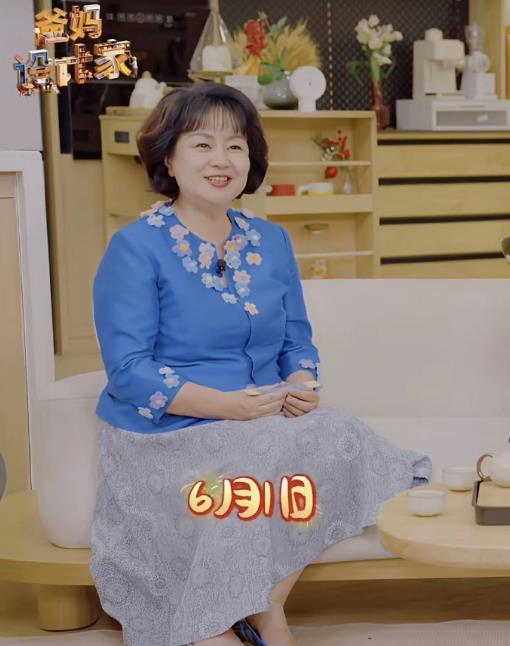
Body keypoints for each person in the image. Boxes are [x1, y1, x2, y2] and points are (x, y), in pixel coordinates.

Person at [90, 83, 431, 646]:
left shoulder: (271, 241)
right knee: (265, 454)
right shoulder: (135, 246)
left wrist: (301, 382)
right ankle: (216, 622)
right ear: (168, 158)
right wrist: (226, 407)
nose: (221, 160)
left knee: (338, 431)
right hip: (168, 431)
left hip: (261, 420)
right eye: (202, 145)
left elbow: (297, 340)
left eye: (235, 146)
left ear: (250, 160)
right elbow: (128, 370)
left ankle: (264, 604)